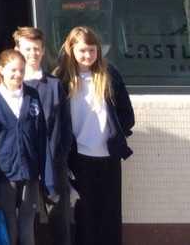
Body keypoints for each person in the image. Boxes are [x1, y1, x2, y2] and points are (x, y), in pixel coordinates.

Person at [55, 26, 134, 245]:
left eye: (92, 50)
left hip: (109, 156)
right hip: (79, 158)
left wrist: (116, 136)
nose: (87, 55)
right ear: (71, 50)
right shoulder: (61, 79)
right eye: (82, 50)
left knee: (110, 215)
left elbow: (126, 114)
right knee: (85, 215)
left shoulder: (109, 74)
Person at [0, 49, 51, 245]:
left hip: (30, 171)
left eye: (21, 70)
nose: (18, 74)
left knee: (27, 225)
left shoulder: (32, 95)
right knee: (9, 223)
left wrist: (45, 175)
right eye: (13, 70)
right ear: (1, 70)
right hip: (5, 173)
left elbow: (41, 136)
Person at [14, 26, 71, 245]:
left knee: (59, 221)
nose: (33, 53)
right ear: (18, 50)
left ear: (43, 50)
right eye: (28, 49)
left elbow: (65, 127)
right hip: (23, 167)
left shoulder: (55, 86)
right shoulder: (11, 85)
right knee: (27, 223)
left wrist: (59, 158)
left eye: (37, 48)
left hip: (54, 166)